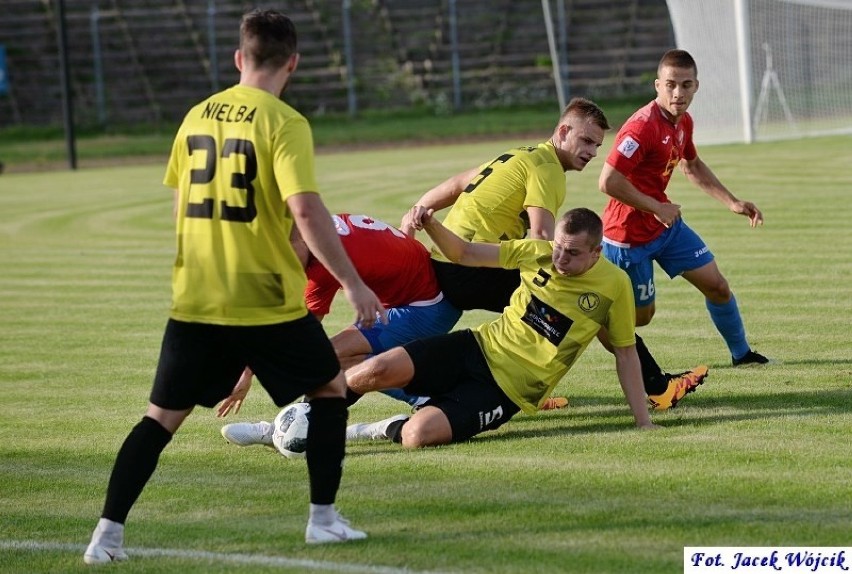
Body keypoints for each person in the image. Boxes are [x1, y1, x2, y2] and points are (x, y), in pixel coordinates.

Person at [83, 10, 384, 564]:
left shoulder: (196, 116)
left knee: (159, 419)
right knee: (329, 392)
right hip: (264, 299)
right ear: (291, 63)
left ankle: (106, 535)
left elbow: (179, 208)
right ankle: (322, 520)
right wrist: (353, 282)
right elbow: (307, 209)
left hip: (196, 297)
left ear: (238, 58)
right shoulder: (284, 122)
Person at [403, 97, 706, 411]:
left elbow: (456, 183)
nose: (591, 152)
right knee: (594, 304)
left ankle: (522, 384)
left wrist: (417, 213)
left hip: (449, 262)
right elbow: (543, 239)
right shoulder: (548, 170)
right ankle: (659, 388)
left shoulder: (520, 154)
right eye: (585, 140)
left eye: (597, 146)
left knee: (558, 310)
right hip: (470, 267)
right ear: (563, 131)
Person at [218, 213, 570, 450]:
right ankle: (296, 426)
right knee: (349, 359)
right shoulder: (319, 230)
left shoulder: (323, 263)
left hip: (426, 302)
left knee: (332, 357)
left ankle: (291, 428)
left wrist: (249, 373)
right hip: (409, 295)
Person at [344, 208, 658, 448]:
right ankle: (312, 421)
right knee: (375, 369)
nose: (560, 258)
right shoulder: (539, 252)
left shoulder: (614, 285)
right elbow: (465, 253)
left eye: (573, 253)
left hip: (507, 390)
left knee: (417, 435)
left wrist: (642, 422)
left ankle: (377, 428)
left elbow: (625, 354)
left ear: (596, 252)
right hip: (477, 347)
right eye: (559, 247)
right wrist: (432, 225)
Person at [598, 49, 770, 388]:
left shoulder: (683, 122)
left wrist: (731, 202)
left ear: (696, 87)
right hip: (628, 235)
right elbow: (608, 181)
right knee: (642, 318)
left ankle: (742, 354)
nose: (678, 93)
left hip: (664, 225)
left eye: (686, 85)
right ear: (658, 85)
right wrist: (656, 207)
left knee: (717, 286)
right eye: (671, 85)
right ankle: (589, 319)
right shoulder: (641, 127)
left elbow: (692, 165)